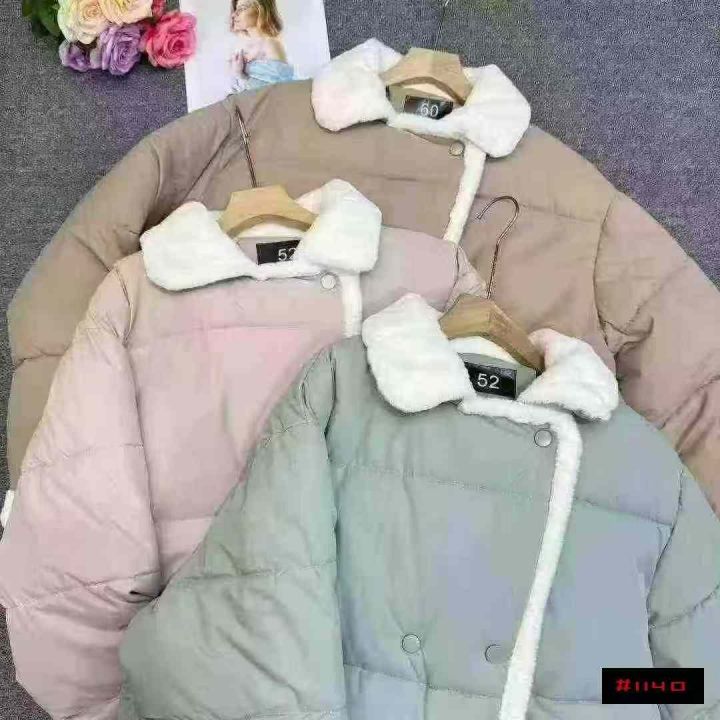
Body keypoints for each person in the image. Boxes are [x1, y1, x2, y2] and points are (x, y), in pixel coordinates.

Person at [229, 0, 294, 92]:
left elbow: (281, 90)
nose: (234, 15)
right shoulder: (242, 47)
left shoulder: (271, 45)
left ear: (260, 10)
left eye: (242, 8)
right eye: (236, 9)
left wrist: (240, 75)